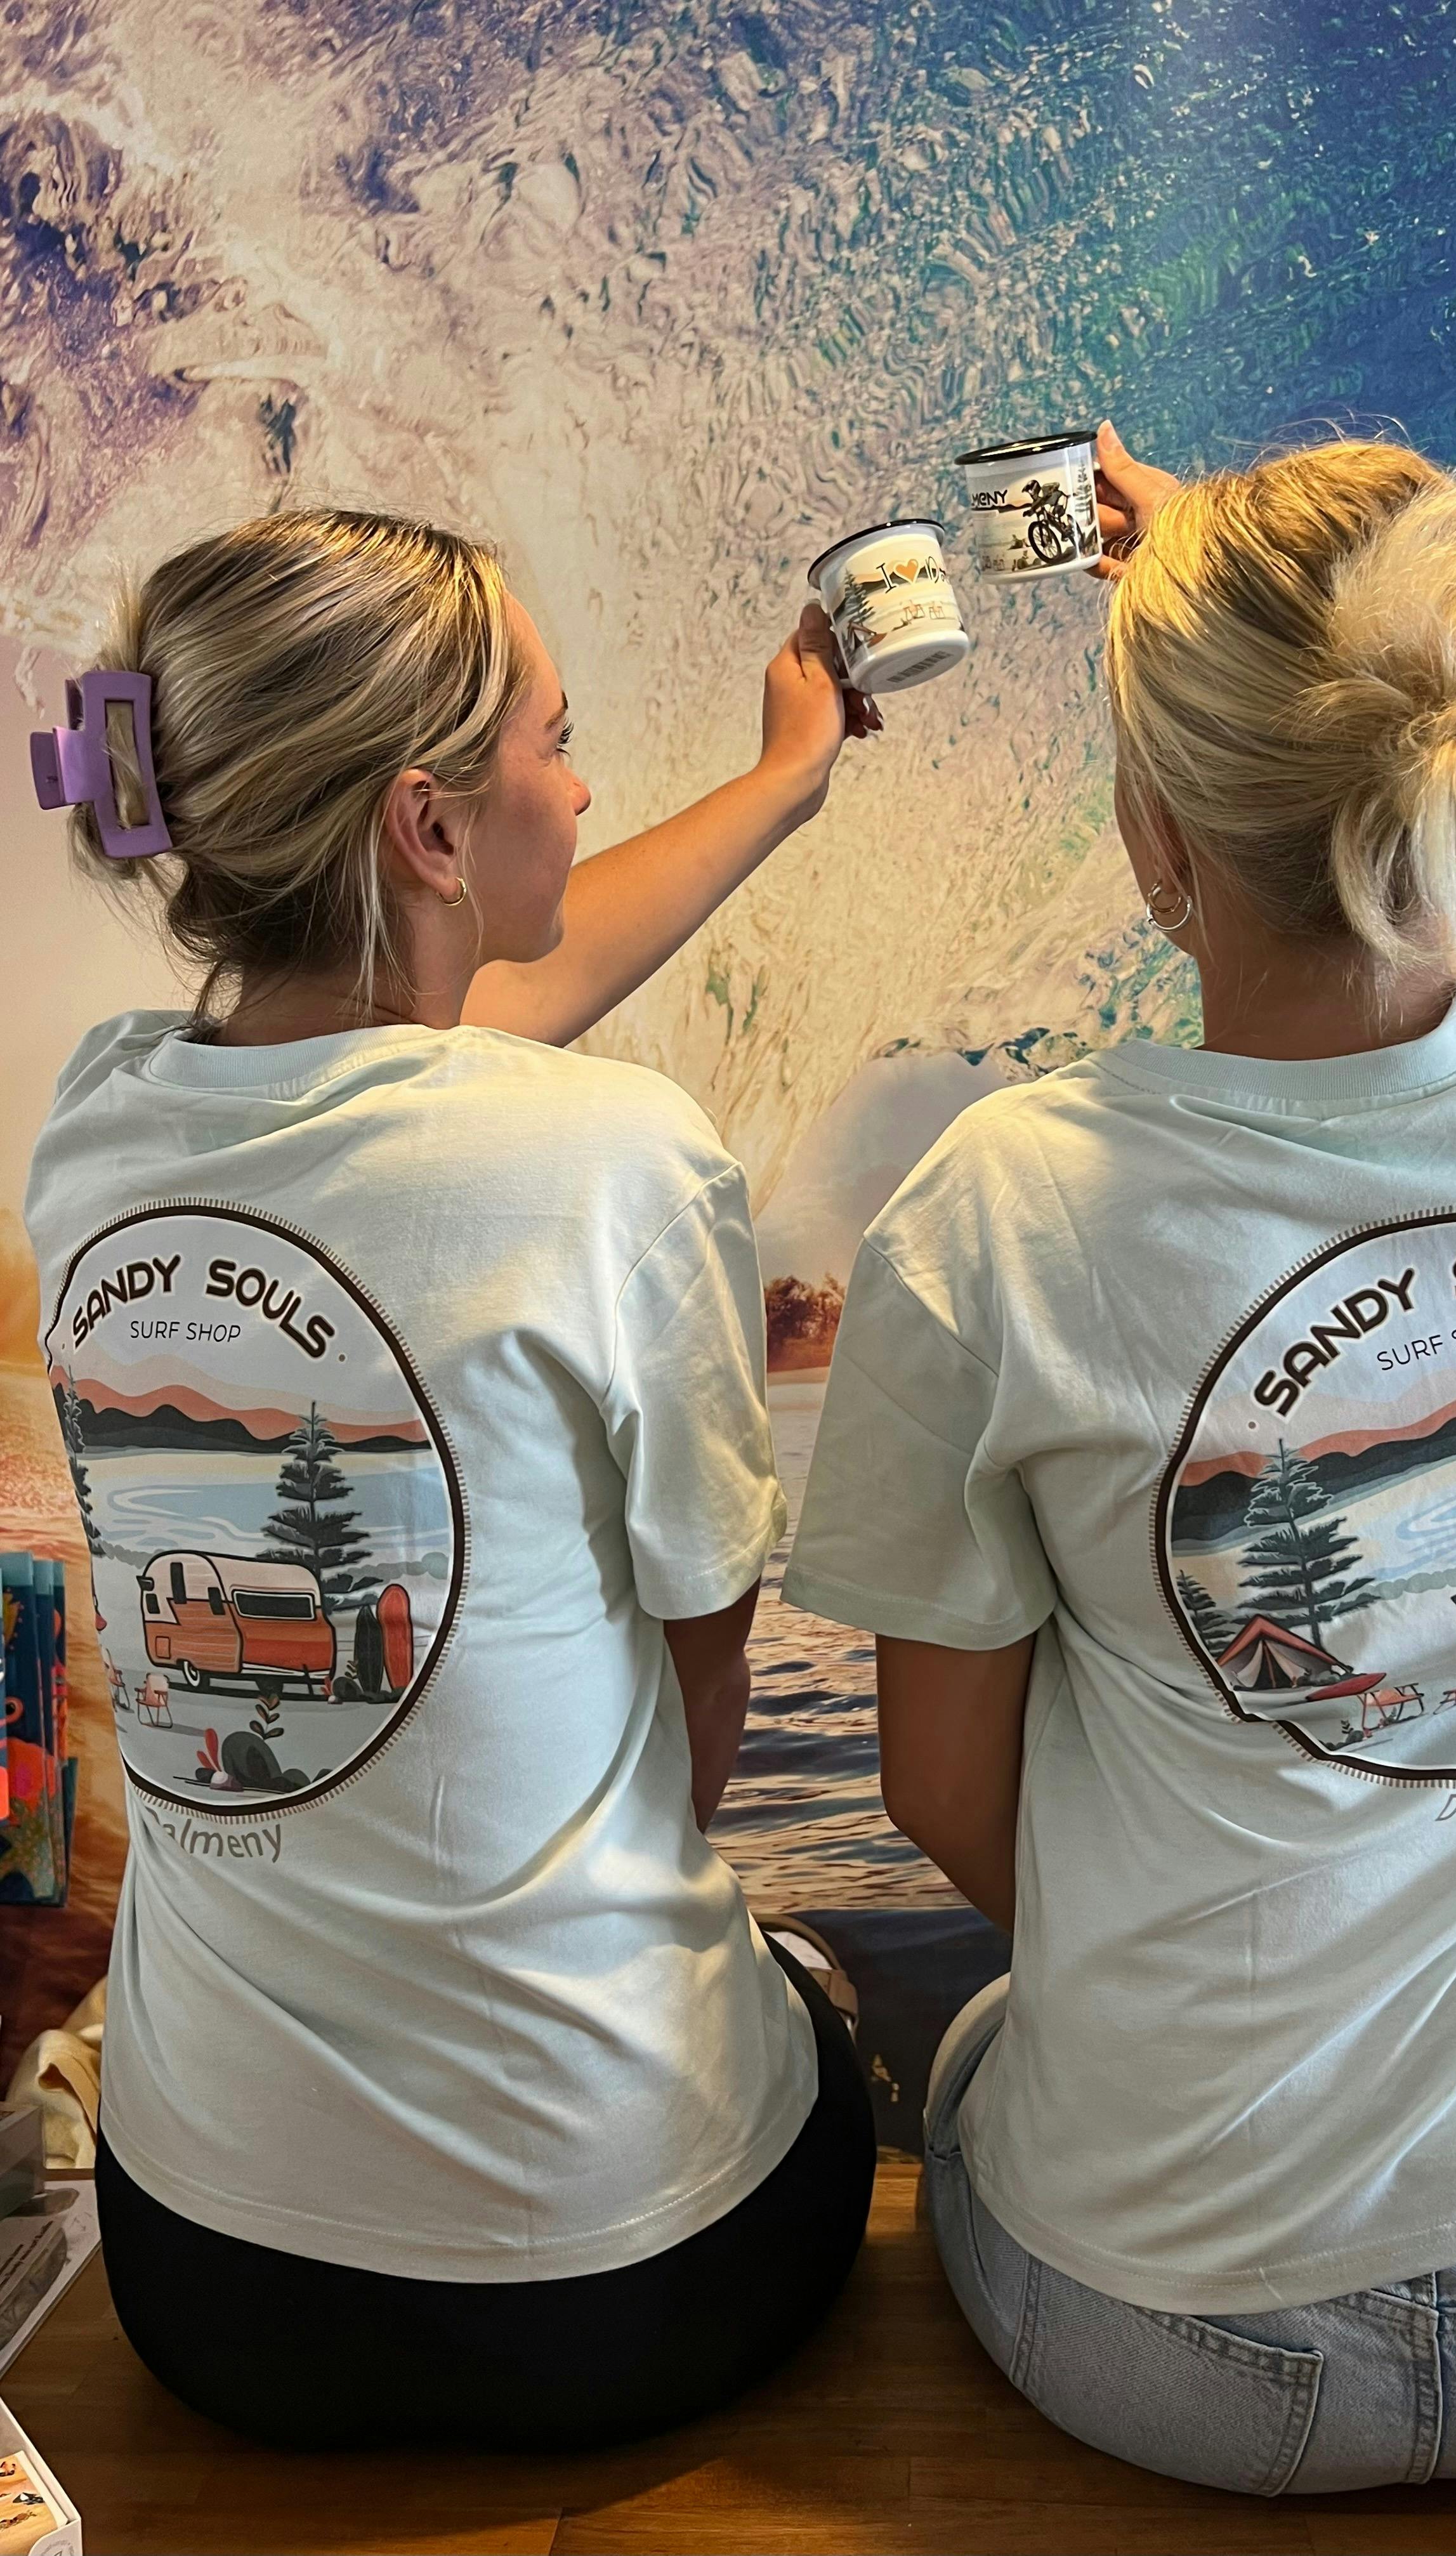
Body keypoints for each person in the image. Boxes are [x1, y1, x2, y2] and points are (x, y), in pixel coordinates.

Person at [785, 426, 1456, 2493]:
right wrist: (1249, 582)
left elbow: (942, 1796)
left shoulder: (1001, 1211)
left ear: (1155, 847)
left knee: (973, 2052)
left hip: (1189, 2347)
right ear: (1453, 765)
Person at [24, 509, 877, 2448]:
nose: (583, 791)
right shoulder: (617, 1161)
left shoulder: (95, 1137)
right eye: (559, 744)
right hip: (621, 2290)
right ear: (427, 829)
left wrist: (781, 787)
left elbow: (416, 1055)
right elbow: (696, 1718)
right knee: (809, 2002)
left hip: (207, 2287)